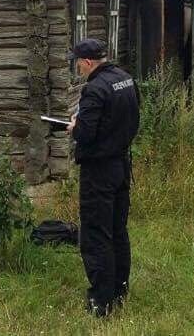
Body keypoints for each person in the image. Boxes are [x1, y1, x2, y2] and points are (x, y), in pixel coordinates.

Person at [67, 38, 140, 317]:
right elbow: (134, 120)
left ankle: (101, 301)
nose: (78, 69)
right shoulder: (125, 79)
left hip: (99, 171)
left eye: (77, 64)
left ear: (86, 62)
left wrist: (76, 126)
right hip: (121, 164)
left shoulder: (94, 90)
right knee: (118, 231)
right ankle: (120, 290)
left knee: (97, 234)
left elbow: (86, 133)